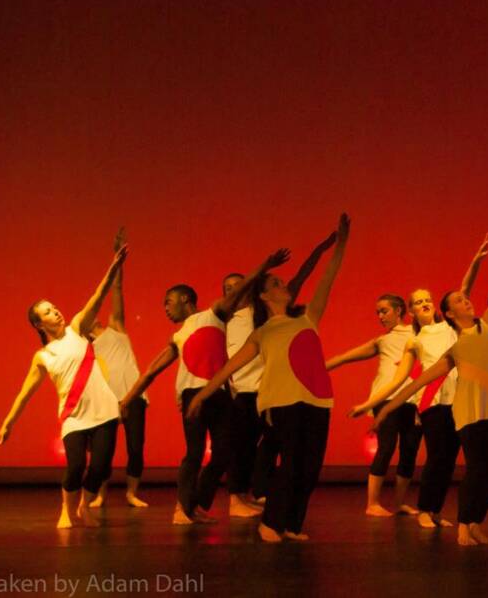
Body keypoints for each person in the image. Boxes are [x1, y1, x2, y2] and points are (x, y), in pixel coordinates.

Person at [187, 215, 350, 543]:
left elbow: (327, 278)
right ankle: (271, 523)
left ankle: (291, 525)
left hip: (317, 398)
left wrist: (340, 245)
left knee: (310, 467)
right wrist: (203, 394)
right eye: (275, 283)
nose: (283, 285)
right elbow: (231, 365)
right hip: (281, 401)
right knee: (290, 463)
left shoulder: (307, 316)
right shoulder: (262, 332)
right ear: (263, 295)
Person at [375, 231, 488, 546]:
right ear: (449, 313)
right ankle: (464, 526)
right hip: (471, 413)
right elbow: (422, 380)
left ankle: (476, 522)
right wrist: (387, 407)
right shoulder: (456, 345)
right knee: (477, 469)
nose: (467, 302)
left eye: (467, 299)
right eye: (460, 301)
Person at [121, 249, 290, 525]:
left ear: (184, 299)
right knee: (195, 452)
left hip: (220, 394)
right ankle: (182, 508)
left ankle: (195, 504)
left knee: (225, 452)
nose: (165, 308)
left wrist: (265, 265)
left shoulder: (214, 314)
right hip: (192, 395)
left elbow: (242, 288)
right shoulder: (177, 335)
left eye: (168, 302)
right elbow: (151, 371)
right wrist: (127, 400)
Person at [348, 236, 488, 527]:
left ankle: (436, 511)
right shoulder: (414, 340)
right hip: (434, 403)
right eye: (418, 302)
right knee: (437, 457)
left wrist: (475, 261)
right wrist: (372, 404)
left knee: (450, 459)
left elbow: (464, 291)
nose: (425, 304)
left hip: (460, 399)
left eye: (428, 300)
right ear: (411, 311)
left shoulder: (450, 326)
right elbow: (401, 380)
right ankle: (426, 510)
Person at [0, 240, 128, 528]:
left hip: (105, 409)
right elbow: (25, 393)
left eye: (54, 307)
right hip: (74, 416)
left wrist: (113, 268)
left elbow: (98, 296)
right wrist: (9, 422)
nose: (55, 312)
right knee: (76, 467)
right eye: (47, 311)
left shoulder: (78, 328)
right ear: (38, 324)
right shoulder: (43, 356)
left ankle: (85, 507)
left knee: (101, 466)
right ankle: (66, 511)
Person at [224, 234, 337, 518]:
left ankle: (260, 493)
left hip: (268, 392)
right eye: (228, 289)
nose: (234, 292)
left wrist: (320, 250)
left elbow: (300, 278)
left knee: (271, 445)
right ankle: (236, 498)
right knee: (244, 446)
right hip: (244, 392)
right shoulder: (224, 318)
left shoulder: (263, 316)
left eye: (239, 287)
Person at [326, 295, 421, 516]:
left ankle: (399, 503)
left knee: (410, 450)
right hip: (385, 399)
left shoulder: (418, 334)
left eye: (384, 311)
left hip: (413, 399)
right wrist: (316, 370)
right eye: (378, 312)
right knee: (386, 447)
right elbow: (343, 357)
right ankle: (372, 503)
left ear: (399, 311)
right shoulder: (382, 341)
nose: (380, 316)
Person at [88, 228, 149, 508]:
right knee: (104, 452)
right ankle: (100, 494)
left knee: (135, 448)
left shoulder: (116, 327)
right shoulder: (85, 345)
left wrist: (117, 260)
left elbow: (117, 290)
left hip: (134, 396)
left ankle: (131, 493)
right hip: (109, 402)